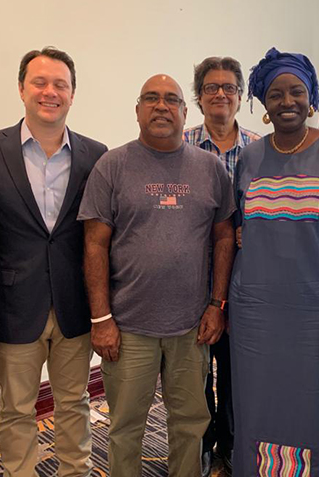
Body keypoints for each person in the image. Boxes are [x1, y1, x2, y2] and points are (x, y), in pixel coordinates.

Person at [78, 74, 236, 477]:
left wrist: (217, 305)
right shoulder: (111, 165)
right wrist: (101, 320)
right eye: (151, 98)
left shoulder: (210, 168)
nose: (161, 106)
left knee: (190, 424)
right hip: (128, 327)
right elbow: (94, 245)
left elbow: (223, 239)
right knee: (126, 427)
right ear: (137, 110)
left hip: (191, 326)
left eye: (171, 99)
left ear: (186, 112)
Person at [230, 47, 319, 476]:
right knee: (258, 405)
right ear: (263, 104)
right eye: (276, 94)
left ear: (311, 98)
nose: (287, 101)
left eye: (296, 92)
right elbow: (242, 227)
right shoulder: (251, 157)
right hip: (256, 316)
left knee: (318, 408)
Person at [0, 47, 107, 476]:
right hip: (12, 302)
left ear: (73, 93)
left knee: (74, 403)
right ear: (22, 88)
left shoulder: (95, 154)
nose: (50, 92)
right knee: (16, 409)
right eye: (40, 82)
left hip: (73, 303)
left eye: (60, 84)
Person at [183, 55, 260, 476]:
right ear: (198, 97)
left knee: (237, 371)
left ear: (241, 96)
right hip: (193, 279)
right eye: (211, 87)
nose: (220, 94)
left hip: (248, 279)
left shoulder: (261, 149)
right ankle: (202, 444)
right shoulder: (180, 145)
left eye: (229, 87)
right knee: (195, 374)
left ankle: (233, 445)